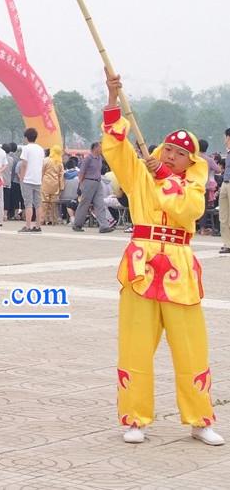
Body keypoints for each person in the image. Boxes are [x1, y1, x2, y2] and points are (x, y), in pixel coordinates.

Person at [103, 73, 222, 446]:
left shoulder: (193, 186)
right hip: (141, 264)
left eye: (180, 154)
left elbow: (190, 211)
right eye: (168, 149)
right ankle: (134, 419)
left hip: (179, 268)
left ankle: (200, 419)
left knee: (191, 346)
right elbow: (117, 150)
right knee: (135, 344)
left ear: (190, 161)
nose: (171, 155)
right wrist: (112, 97)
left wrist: (167, 178)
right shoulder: (141, 176)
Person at [72, 142, 114, 233]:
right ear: (95, 148)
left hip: (98, 182)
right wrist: (81, 184)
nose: (102, 149)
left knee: (100, 203)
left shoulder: (99, 158)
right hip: (88, 182)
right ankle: (77, 224)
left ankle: (104, 226)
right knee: (84, 203)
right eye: (100, 147)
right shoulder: (88, 158)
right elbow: (81, 172)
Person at [17, 128, 44, 233]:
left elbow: (24, 164)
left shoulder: (26, 148)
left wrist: (22, 178)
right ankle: (37, 225)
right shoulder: (40, 149)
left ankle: (28, 226)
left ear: (26, 137)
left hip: (28, 179)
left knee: (28, 203)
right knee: (38, 204)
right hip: (37, 179)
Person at [42, 145, 65, 225]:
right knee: (54, 204)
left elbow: (42, 172)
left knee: (44, 202)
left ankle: (43, 219)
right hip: (55, 185)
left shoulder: (46, 160)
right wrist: (61, 187)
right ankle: (53, 220)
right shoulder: (60, 163)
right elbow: (61, 176)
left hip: (45, 183)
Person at [218, 129, 230, 254]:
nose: (224, 140)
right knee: (224, 216)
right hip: (225, 184)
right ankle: (227, 243)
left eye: (225, 137)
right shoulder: (227, 153)